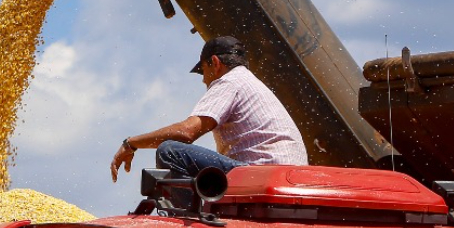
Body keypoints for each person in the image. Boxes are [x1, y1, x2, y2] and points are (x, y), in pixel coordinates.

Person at [110, 36, 308, 182]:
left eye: (204, 71)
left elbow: (186, 132)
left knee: (170, 151)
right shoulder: (251, 83)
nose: (204, 80)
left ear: (215, 63)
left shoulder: (230, 82)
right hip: (290, 177)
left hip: (262, 174)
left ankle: (190, 227)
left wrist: (132, 143)